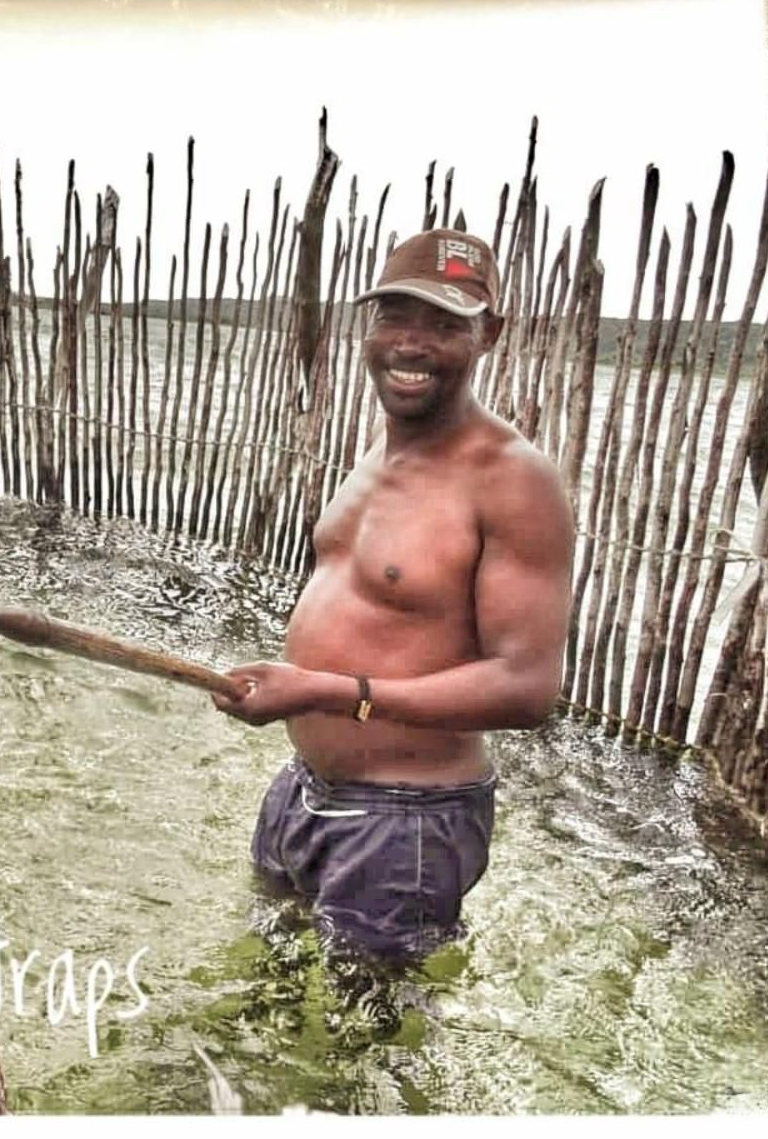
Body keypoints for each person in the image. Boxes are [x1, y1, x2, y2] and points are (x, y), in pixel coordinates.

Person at [213, 227, 574, 966]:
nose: (412, 343)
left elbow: (527, 688)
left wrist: (321, 689)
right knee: (259, 1000)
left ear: (489, 335)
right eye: (396, 316)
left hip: (406, 823)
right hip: (304, 790)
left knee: (365, 1052)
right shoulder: (381, 450)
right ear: (368, 326)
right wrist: (294, 685)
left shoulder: (512, 479)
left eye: (445, 324)